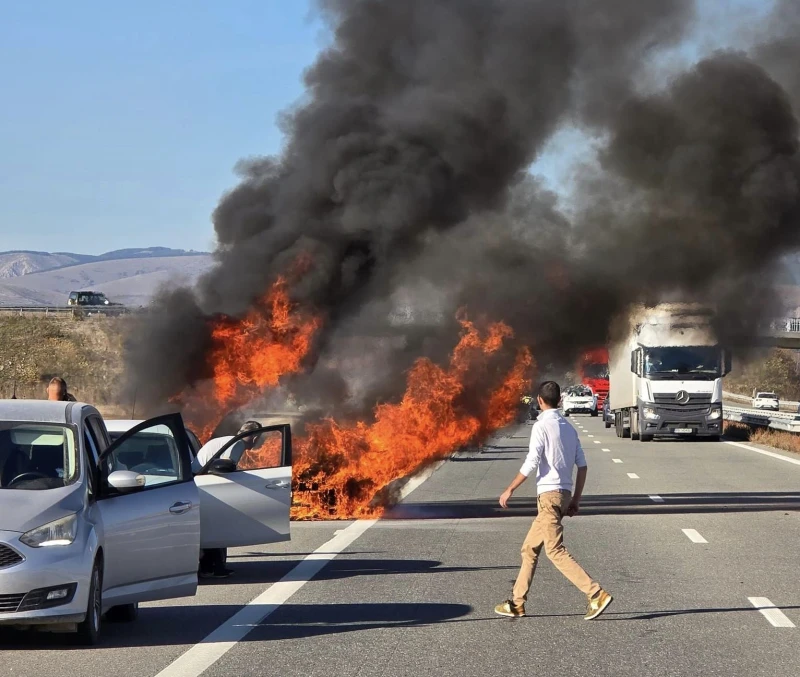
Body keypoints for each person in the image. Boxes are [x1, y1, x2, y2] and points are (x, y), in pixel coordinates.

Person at [495, 381, 613, 620]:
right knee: (529, 548)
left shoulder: (541, 427)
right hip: (563, 494)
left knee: (555, 550)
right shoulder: (569, 428)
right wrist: (575, 499)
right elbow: (582, 466)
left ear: (539, 400)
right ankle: (517, 603)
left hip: (549, 497)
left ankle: (595, 593)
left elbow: (531, 462)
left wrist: (509, 489)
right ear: (559, 401)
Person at [194, 421, 263, 579]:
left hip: (201, 484)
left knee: (212, 527)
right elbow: (225, 469)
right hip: (206, 487)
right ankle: (212, 568)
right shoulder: (237, 444)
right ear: (255, 437)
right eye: (259, 438)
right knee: (216, 528)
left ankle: (209, 567)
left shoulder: (228, 441)